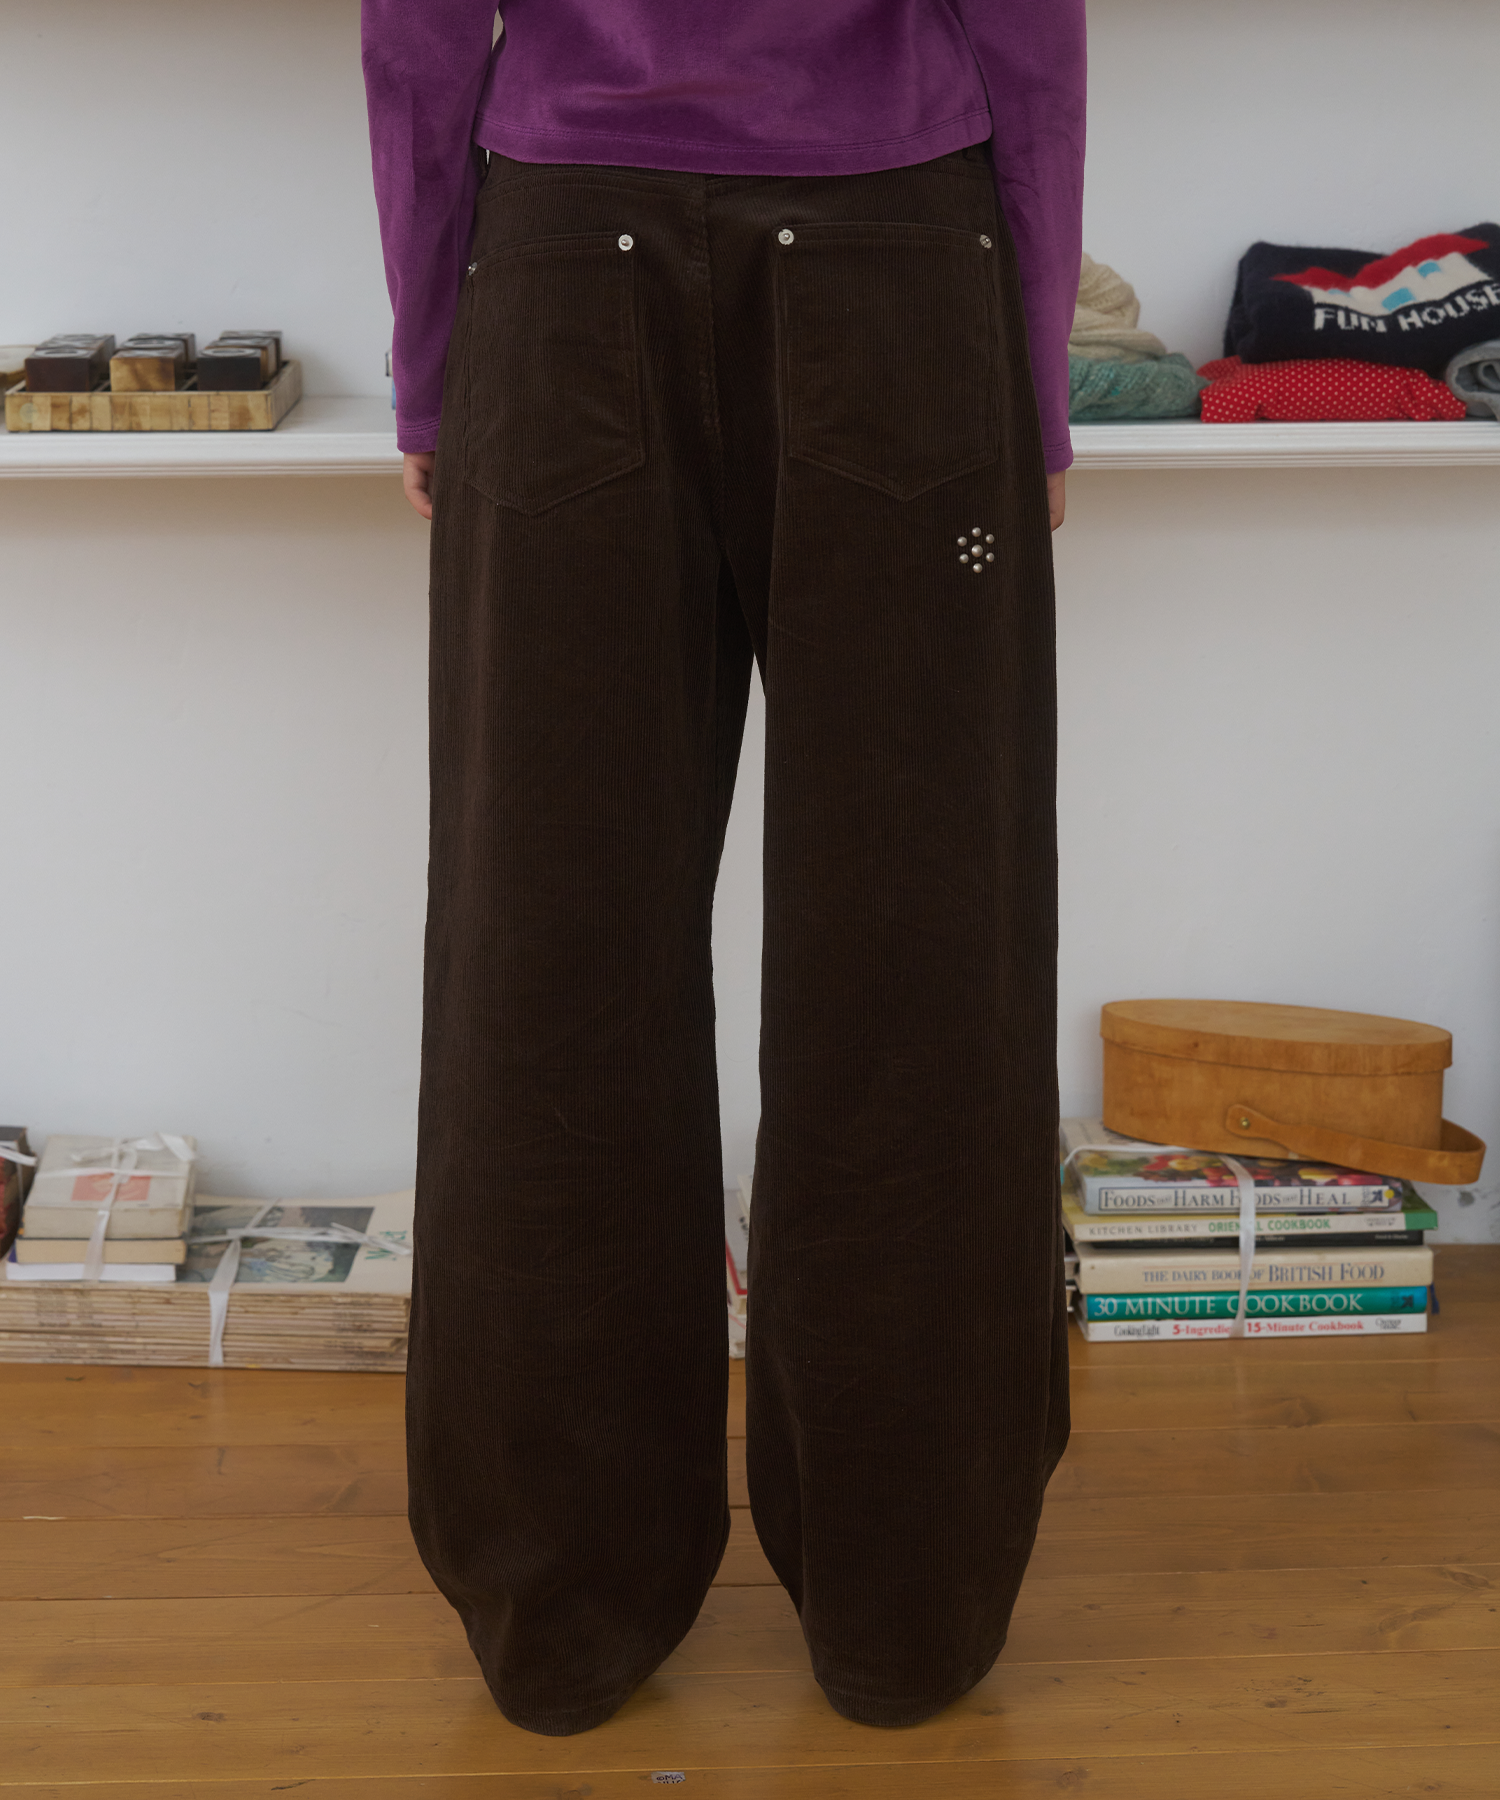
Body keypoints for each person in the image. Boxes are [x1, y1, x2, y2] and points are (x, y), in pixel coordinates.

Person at [362, 0, 1084, 1739]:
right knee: (923, 944)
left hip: (561, 267)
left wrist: (433, 353)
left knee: (548, 947)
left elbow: (416, 33)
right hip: (905, 260)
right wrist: (1036, 371)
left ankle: (558, 1609)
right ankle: (908, 1606)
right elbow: (1030, 33)